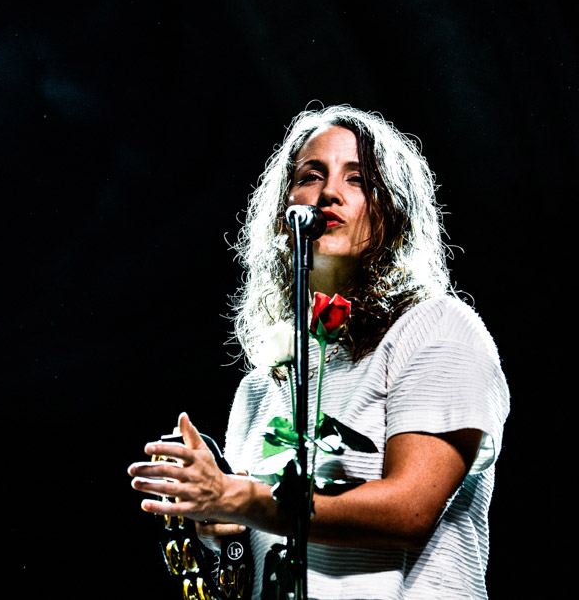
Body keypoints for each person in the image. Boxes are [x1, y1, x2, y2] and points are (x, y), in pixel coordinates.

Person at [129, 105, 510, 599]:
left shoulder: (438, 329)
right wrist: (218, 523)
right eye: (312, 175)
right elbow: (261, 533)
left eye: (359, 180)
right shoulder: (261, 388)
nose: (329, 192)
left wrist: (241, 497)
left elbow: (410, 509)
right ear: (284, 208)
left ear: (392, 210)